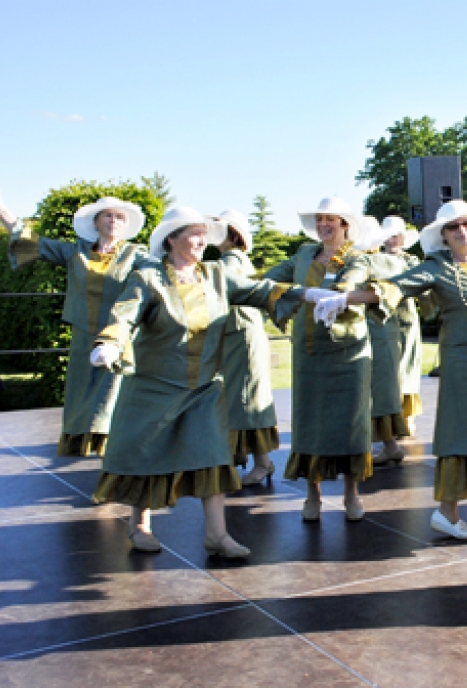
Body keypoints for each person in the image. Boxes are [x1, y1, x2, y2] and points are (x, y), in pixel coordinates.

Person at [89, 207, 311, 556]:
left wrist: (309, 295)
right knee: (147, 454)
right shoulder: (147, 278)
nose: (202, 239)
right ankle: (139, 524)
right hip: (156, 384)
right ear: (172, 240)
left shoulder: (217, 276)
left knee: (213, 455)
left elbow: (261, 289)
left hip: (204, 385)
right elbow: (124, 314)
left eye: (204, 232)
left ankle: (216, 535)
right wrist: (110, 343)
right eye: (194, 232)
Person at [344, 199, 467, 542]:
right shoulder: (438, 266)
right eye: (453, 227)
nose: (462, 231)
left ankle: (456, 514)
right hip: (464, 366)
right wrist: (346, 299)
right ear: (444, 235)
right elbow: (398, 286)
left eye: (466, 223)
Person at [0, 183, 153, 457]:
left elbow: (162, 275)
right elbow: (34, 243)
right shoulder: (75, 252)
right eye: (108, 215)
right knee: (80, 389)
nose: (113, 221)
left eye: (119, 217)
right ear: (96, 222)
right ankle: (80, 442)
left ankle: (111, 446)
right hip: (83, 332)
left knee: (111, 390)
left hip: (118, 333)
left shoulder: (135, 255)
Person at [262, 196, 376, 523]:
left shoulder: (358, 257)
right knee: (309, 423)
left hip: (349, 353)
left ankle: (351, 494)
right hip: (309, 351)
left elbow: (354, 278)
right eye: (320, 219)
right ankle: (313, 496)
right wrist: (291, 293)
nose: (324, 224)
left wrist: (341, 291)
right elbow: (270, 280)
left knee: (350, 425)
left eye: (331, 219)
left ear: (344, 224)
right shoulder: (303, 255)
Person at [215, 210, 280, 486]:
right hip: (238, 334)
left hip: (241, 335)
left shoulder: (230, 260)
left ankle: (263, 463)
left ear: (231, 234)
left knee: (247, 400)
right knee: (242, 399)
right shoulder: (229, 259)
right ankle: (245, 456)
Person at [357, 216, 413, 466]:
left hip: (379, 333)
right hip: (379, 332)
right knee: (378, 391)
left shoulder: (381, 264)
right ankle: (386, 445)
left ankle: (385, 445)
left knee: (378, 391)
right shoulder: (375, 262)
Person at [380, 216, 424, 433]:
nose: (392, 240)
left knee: (408, 367)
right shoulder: (375, 259)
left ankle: (408, 417)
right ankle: (390, 418)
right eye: (388, 236)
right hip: (383, 319)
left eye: (395, 235)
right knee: (389, 370)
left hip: (406, 319)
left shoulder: (411, 261)